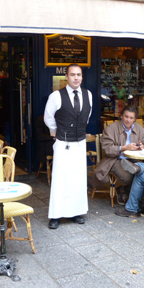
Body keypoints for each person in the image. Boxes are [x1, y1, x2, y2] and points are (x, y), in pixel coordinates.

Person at [44, 64, 93, 229]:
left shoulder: (88, 95)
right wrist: (59, 132)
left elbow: (86, 117)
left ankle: (76, 212)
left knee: (78, 179)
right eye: (73, 75)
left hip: (79, 142)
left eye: (79, 74)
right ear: (66, 76)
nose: (76, 78)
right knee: (60, 179)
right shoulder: (56, 96)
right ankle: (56, 215)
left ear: (82, 77)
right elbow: (48, 118)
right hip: (63, 143)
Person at [91, 106, 144, 205]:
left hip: (133, 159)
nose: (128, 120)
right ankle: (132, 196)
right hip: (115, 159)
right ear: (121, 116)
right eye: (126, 117)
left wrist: (141, 147)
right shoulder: (111, 129)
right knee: (129, 176)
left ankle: (124, 189)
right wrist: (124, 148)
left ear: (135, 119)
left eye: (131, 118)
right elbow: (107, 149)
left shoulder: (139, 129)